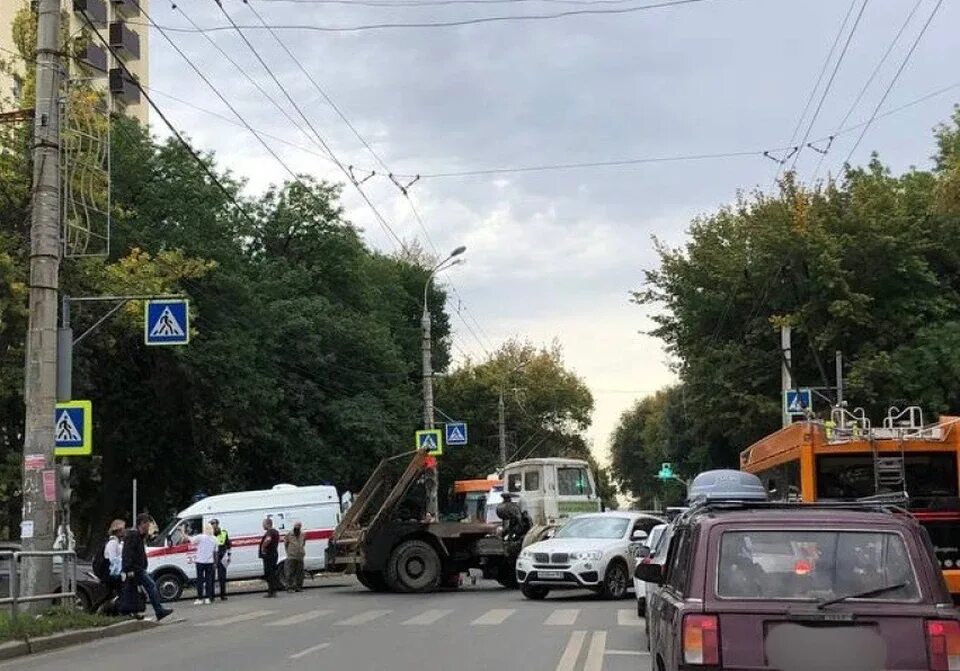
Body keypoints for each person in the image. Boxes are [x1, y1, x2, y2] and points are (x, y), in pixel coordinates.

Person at [121, 514, 173, 621]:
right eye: (147, 524)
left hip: (138, 568)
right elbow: (127, 554)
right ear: (142, 524)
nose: (149, 527)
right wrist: (129, 569)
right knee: (151, 586)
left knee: (133, 590)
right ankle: (159, 611)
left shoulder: (139, 536)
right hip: (135, 569)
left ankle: (132, 611)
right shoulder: (133, 536)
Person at [183, 521, 217, 605]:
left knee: (200, 580)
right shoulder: (215, 539)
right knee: (209, 580)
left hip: (200, 562)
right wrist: (215, 563)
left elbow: (189, 539)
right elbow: (215, 552)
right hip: (210, 562)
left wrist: (183, 532)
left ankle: (200, 598)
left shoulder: (201, 537)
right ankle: (208, 598)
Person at [259, 517, 281, 598]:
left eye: (263, 524)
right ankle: (272, 591)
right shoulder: (275, 531)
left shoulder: (270, 531)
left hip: (269, 555)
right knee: (271, 573)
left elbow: (268, 540)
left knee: (269, 573)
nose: (262, 526)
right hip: (273, 554)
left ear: (267, 524)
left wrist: (263, 548)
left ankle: (271, 591)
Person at [211, 519, 232, 601]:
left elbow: (229, 545)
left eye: (213, 523)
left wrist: (229, 556)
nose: (212, 525)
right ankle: (211, 596)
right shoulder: (209, 534)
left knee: (222, 577)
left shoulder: (224, 532)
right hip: (212, 557)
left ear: (217, 524)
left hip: (222, 557)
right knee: (211, 577)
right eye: (211, 524)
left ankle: (223, 595)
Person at [284, 521, 306, 592]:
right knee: (290, 573)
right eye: (296, 526)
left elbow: (303, 543)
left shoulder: (303, 534)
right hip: (291, 556)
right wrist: (289, 552)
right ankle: (289, 587)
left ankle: (298, 587)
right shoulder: (289, 534)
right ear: (294, 526)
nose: (298, 527)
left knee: (300, 573)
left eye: (299, 526)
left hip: (300, 556)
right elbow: (286, 544)